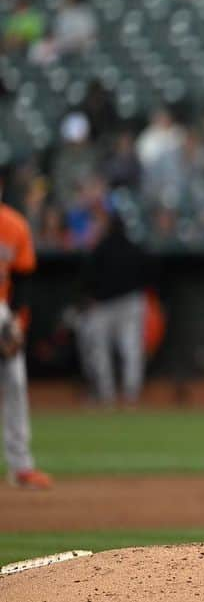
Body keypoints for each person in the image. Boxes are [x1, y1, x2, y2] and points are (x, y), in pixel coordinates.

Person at [0, 165, 53, 490]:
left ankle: (20, 467)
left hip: (3, 312)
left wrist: (18, 324)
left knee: (16, 384)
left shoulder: (14, 225)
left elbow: (23, 280)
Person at [76, 213, 153, 407]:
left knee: (101, 350)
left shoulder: (101, 249)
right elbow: (150, 273)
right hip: (130, 302)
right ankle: (131, 394)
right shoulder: (134, 247)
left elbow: (87, 279)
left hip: (106, 305)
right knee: (131, 348)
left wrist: (89, 297)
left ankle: (106, 394)